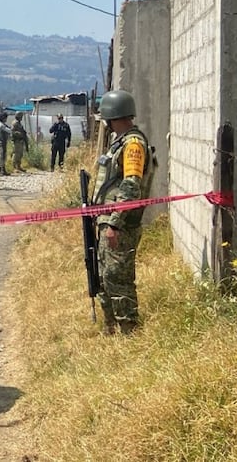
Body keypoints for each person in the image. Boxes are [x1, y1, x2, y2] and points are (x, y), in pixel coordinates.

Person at [92, 90, 154, 335]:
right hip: (107, 220)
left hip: (120, 225)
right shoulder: (120, 142)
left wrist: (115, 224)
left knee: (118, 277)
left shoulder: (133, 145)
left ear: (111, 117)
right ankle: (111, 328)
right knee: (105, 277)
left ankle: (129, 330)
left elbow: (131, 185)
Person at [0, 112, 13, 176]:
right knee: (1, 156)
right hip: (0, 142)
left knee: (3, 156)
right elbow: (9, 130)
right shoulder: (1, 125)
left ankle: (3, 170)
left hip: (3, 142)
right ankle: (0, 170)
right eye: (5, 118)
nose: (6, 119)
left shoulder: (2, 124)